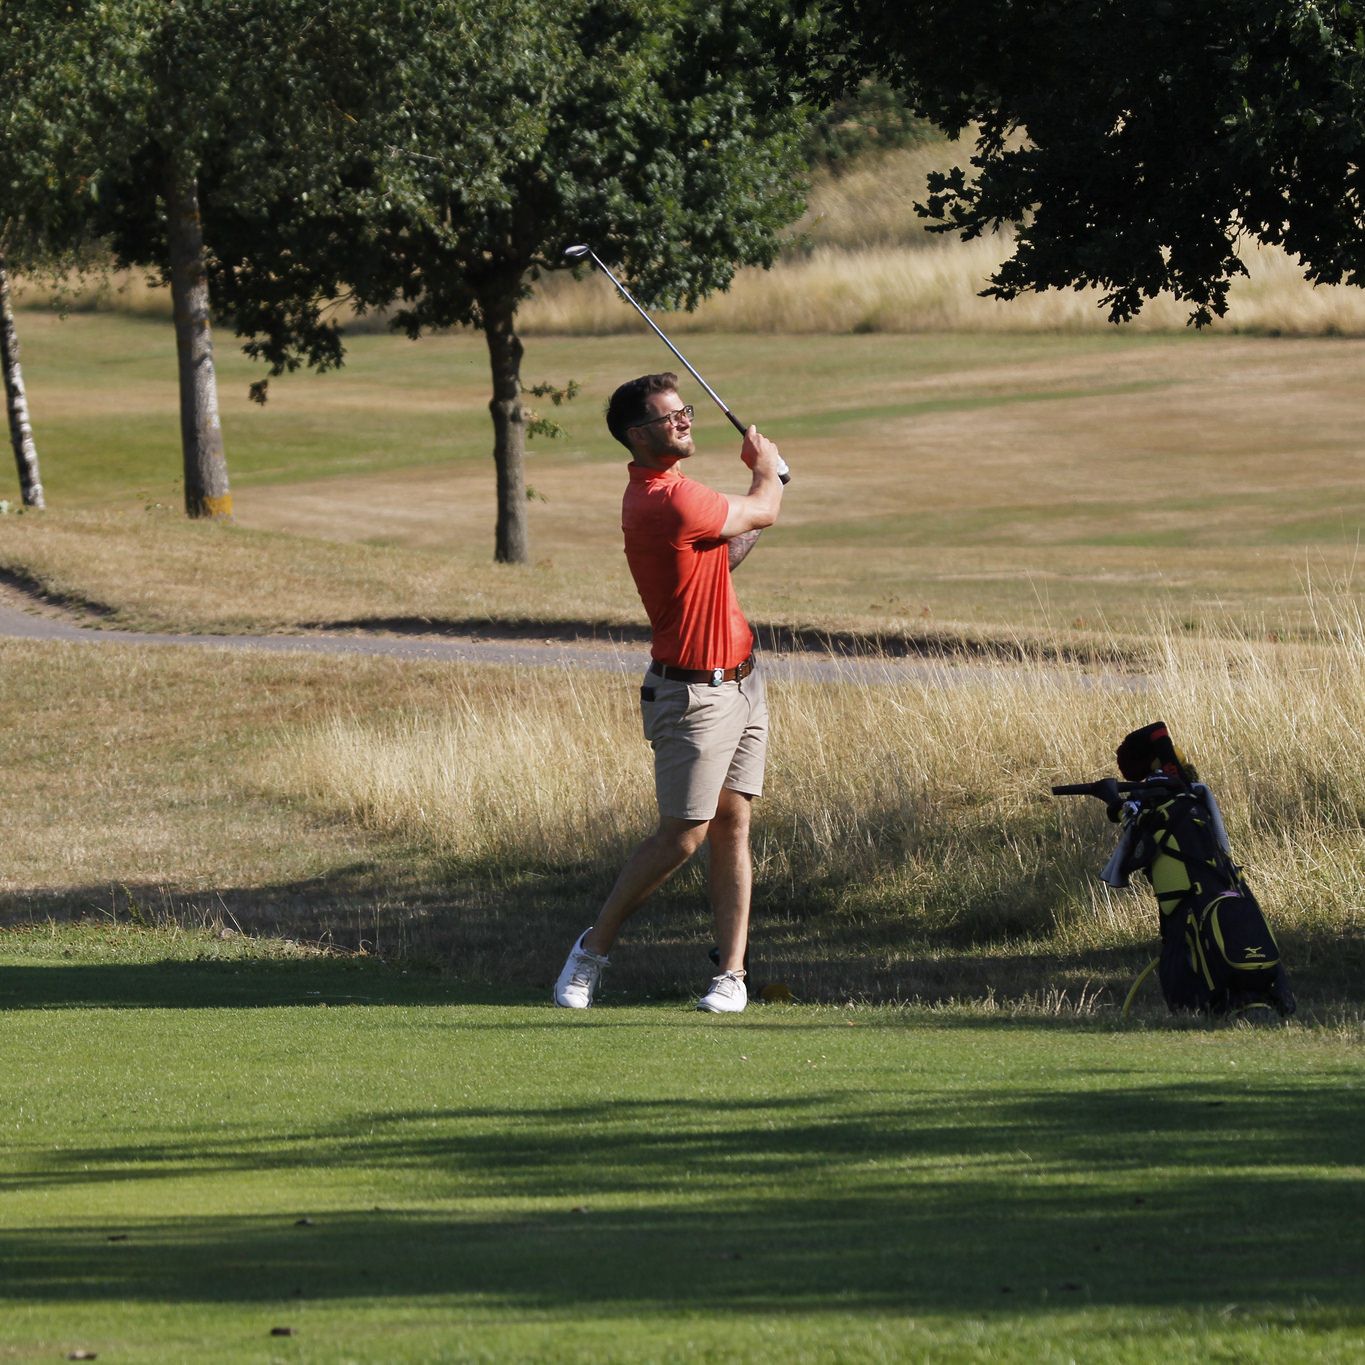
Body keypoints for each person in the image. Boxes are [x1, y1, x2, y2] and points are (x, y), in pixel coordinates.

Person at [553, 372, 785, 1013]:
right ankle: (590, 952)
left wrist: (772, 485)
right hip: (691, 697)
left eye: (685, 412)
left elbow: (726, 551)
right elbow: (761, 510)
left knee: (733, 825)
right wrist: (769, 472)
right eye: (669, 416)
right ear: (637, 434)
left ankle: (730, 975)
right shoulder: (668, 499)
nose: (684, 421)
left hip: (742, 681)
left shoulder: (675, 504)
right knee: (683, 834)